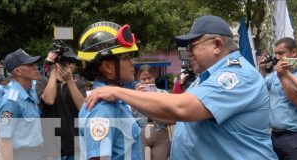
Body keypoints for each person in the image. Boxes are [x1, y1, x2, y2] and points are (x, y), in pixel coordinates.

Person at [85, 15, 278, 159]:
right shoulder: (205, 78)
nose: (188, 54)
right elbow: (171, 114)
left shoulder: (236, 75)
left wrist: (118, 91)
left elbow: (181, 108)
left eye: (192, 46)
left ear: (217, 45)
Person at [77, 21, 143, 160]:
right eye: (125, 57)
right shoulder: (102, 109)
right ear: (107, 67)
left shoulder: (116, 101)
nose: (132, 62)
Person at [259, 37, 297, 160]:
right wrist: (262, 71)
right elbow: (259, 90)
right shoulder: (274, 75)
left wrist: (283, 77)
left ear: (293, 52)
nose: (277, 57)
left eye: (281, 53)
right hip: (274, 136)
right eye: (276, 53)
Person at [35, 51, 86, 160]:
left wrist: (70, 81)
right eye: (67, 63)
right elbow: (49, 100)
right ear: (57, 63)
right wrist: (53, 70)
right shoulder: (43, 81)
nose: (71, 66)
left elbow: (83, 108)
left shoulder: (79, 84)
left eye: (73, 63)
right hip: (51, 146)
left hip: (74, 145)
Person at [0, 48, 44, 160]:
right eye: (30, 65)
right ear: (18, 71)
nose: (35, 67)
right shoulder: (11, 101)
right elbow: (5, 141)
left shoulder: (31, 92)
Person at [133, 64, 171, 160]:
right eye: (143, 79)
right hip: (142, 133)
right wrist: (135, 97)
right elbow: (131, 115)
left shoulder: (163, 94)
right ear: (138, 79)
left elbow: (170, 113)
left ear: (154, 77)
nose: (147, 81)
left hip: (161, 134)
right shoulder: (134, 95)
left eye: (149, 78)